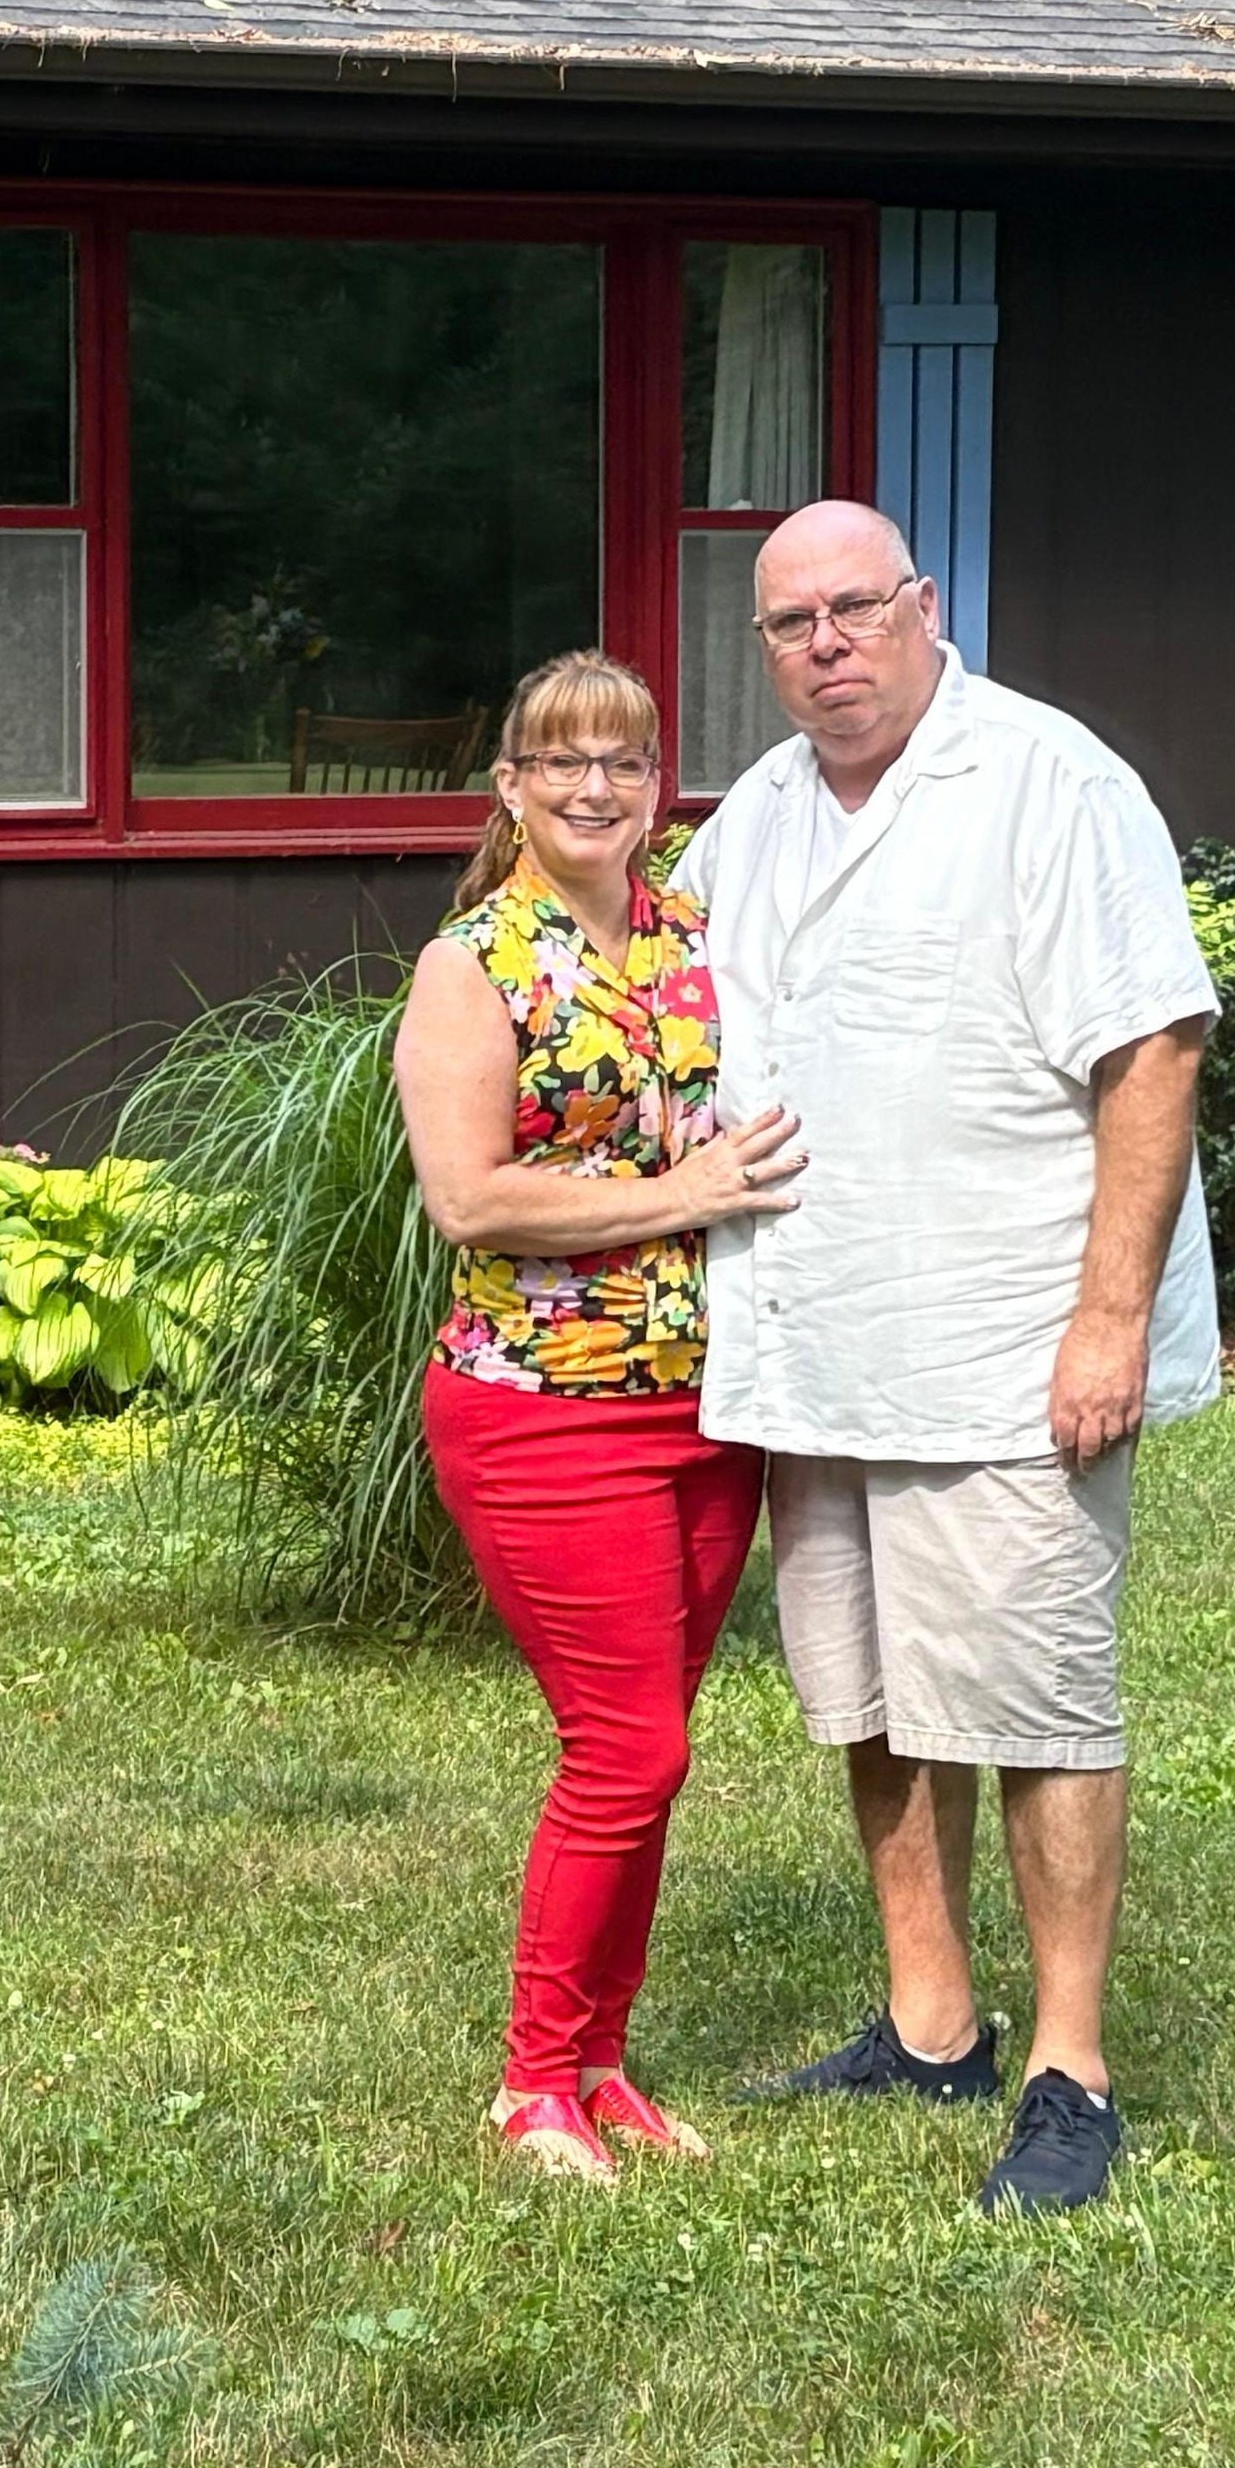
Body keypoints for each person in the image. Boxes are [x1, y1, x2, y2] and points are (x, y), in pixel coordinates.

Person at [686, 503, 1220, 2220]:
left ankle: (1070, 2066)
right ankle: (933, 2021)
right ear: (763, 648)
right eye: (790, 623)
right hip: (813, 1327)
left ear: (924, 607)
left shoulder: (1052, 784)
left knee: (1039, 1695)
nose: (826, 643)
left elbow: (1152, 1048)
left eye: (855, 607)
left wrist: (1109, 1315)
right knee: (866, 1688)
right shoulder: (753, 821)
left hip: (1007, 1333)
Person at [395, 651, 809, 2187]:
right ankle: (530, 2081)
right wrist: (680, 1194)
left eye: (623, 762)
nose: (592, 787)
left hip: (712, 1406)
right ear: (510, 787)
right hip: (543, 1410)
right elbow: (470, 1197)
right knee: (625, 1747)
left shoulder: (700, 937)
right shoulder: (476, 964)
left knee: (657, 1747)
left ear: (657, 787)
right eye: (560, 762)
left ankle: (604, 2061)